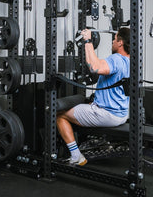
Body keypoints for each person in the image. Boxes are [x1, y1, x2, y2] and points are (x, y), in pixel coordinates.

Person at [56, 27, 130, 166]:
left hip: (107, 114)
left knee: (60, 116)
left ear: (120, 43)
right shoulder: (132, 62)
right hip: (122, 114)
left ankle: (76, 156)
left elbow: (94, 67)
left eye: (115, 39)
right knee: (84, 106)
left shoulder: (117, 60)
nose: (113, 42)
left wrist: (88, 40)